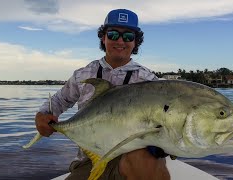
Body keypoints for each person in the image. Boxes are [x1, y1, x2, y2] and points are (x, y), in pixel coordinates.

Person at [35, 9, 170, 180]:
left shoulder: (150, 81)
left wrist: (165, 143)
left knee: (145, 162)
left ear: (135, 42)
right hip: (90, 160)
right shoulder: (84, 74)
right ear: (103, 37)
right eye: (113, 34)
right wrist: (42, 115)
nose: (120, 41)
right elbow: (59, 100)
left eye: (128, 36)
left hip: (134, 158)